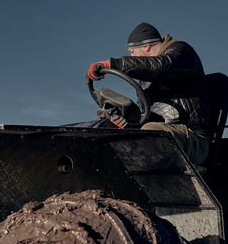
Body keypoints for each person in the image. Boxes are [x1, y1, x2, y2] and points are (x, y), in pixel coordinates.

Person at [87, 22, 212, 165]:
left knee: (150, 133)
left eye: (132, 52)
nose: (131, 56)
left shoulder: (182, 53)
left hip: (194, 140)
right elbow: (147, 116)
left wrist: (115, 64)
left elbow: (162, 65)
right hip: (165, 132)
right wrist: (128, 124)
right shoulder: (146, 80)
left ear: (146, 46)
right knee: (111, 132)